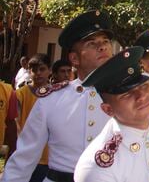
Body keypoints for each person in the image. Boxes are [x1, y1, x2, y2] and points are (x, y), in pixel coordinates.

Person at [3, 11, 114, 182]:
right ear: (74, 58)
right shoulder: (51, 100)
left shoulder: (128, 97)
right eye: (92, 43)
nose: (102, 47)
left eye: (106, 41)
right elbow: (23, 159)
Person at [74, 47, 149, 182]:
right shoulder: (97, 165)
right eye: (127, 94)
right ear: (108, 109)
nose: (141, 96)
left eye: (144, 86)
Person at [15, 54, 52, 182]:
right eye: (34, 70)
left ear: (50, 70)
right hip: (26, 154)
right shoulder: (20, 94)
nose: (38, 73)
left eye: (42, 69)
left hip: (49, 156)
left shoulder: (57, 94)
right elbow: (16, 122)